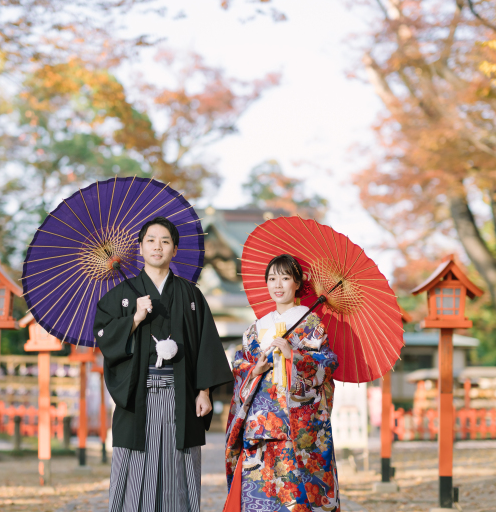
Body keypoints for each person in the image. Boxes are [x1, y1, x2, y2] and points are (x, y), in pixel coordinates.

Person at [94, 216, 233, 512]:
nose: (158, 247)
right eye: (151, 241)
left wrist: (204, 391)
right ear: (140, 248)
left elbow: (205, 344)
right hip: (137, 395)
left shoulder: (191, 294)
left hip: (180, 394)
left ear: (175, 250)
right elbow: (105, 338)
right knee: (133, 467)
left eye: (165, 241)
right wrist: (134, 318)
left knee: (179, 466)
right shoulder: (121, 296)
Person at [223, 254, 340, 512]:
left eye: (285, 278)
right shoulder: (257, 327)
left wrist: (293, 356)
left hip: (295, 429)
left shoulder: (311, 325)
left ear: (297, 283)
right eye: (272, 278)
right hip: (258, 425)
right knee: (258, 498)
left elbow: (328, 364)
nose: (278, 284)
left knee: (293, 499)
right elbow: (239, 365)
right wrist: (255, 369)